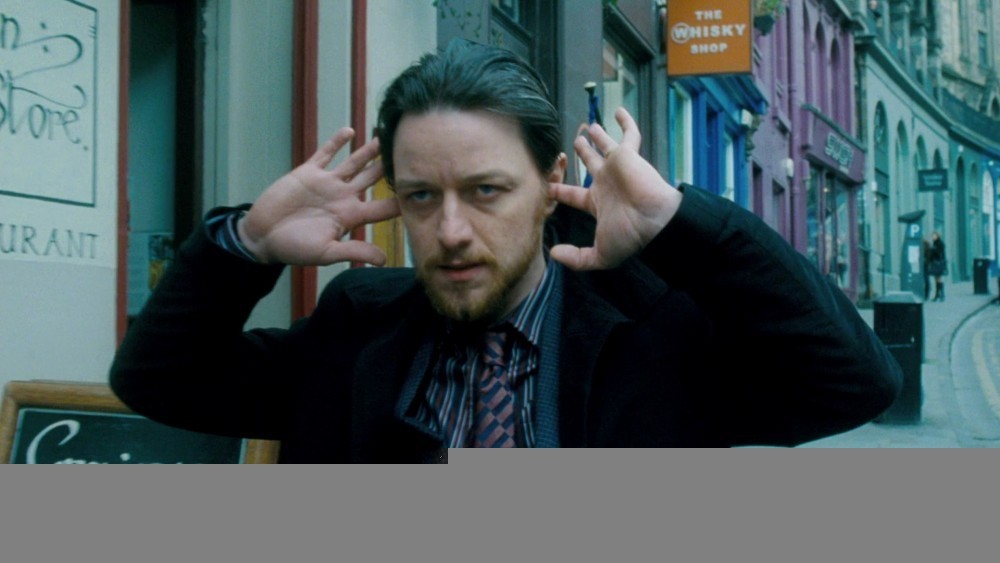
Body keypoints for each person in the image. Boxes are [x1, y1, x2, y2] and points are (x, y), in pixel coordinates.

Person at [109, 41, 902, 462]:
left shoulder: (656, 330)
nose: (451, 229)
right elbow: (158, 379)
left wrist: (679, 223)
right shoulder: (357, 325)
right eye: (422, 196)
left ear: (552, 182)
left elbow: (853, 383)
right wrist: (246, 245)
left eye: (485, 190)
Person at [926, 231, 947, 302]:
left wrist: (933, 250)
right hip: (936, 263)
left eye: (934, 236)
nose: (933, 237)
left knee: (938, 278)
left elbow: (939, 253)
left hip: (938, 263)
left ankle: (940, 294)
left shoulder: (940, 244)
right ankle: (939, 294)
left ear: (937, 236)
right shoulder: (935, 243)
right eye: (932, 236)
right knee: (937, 279)